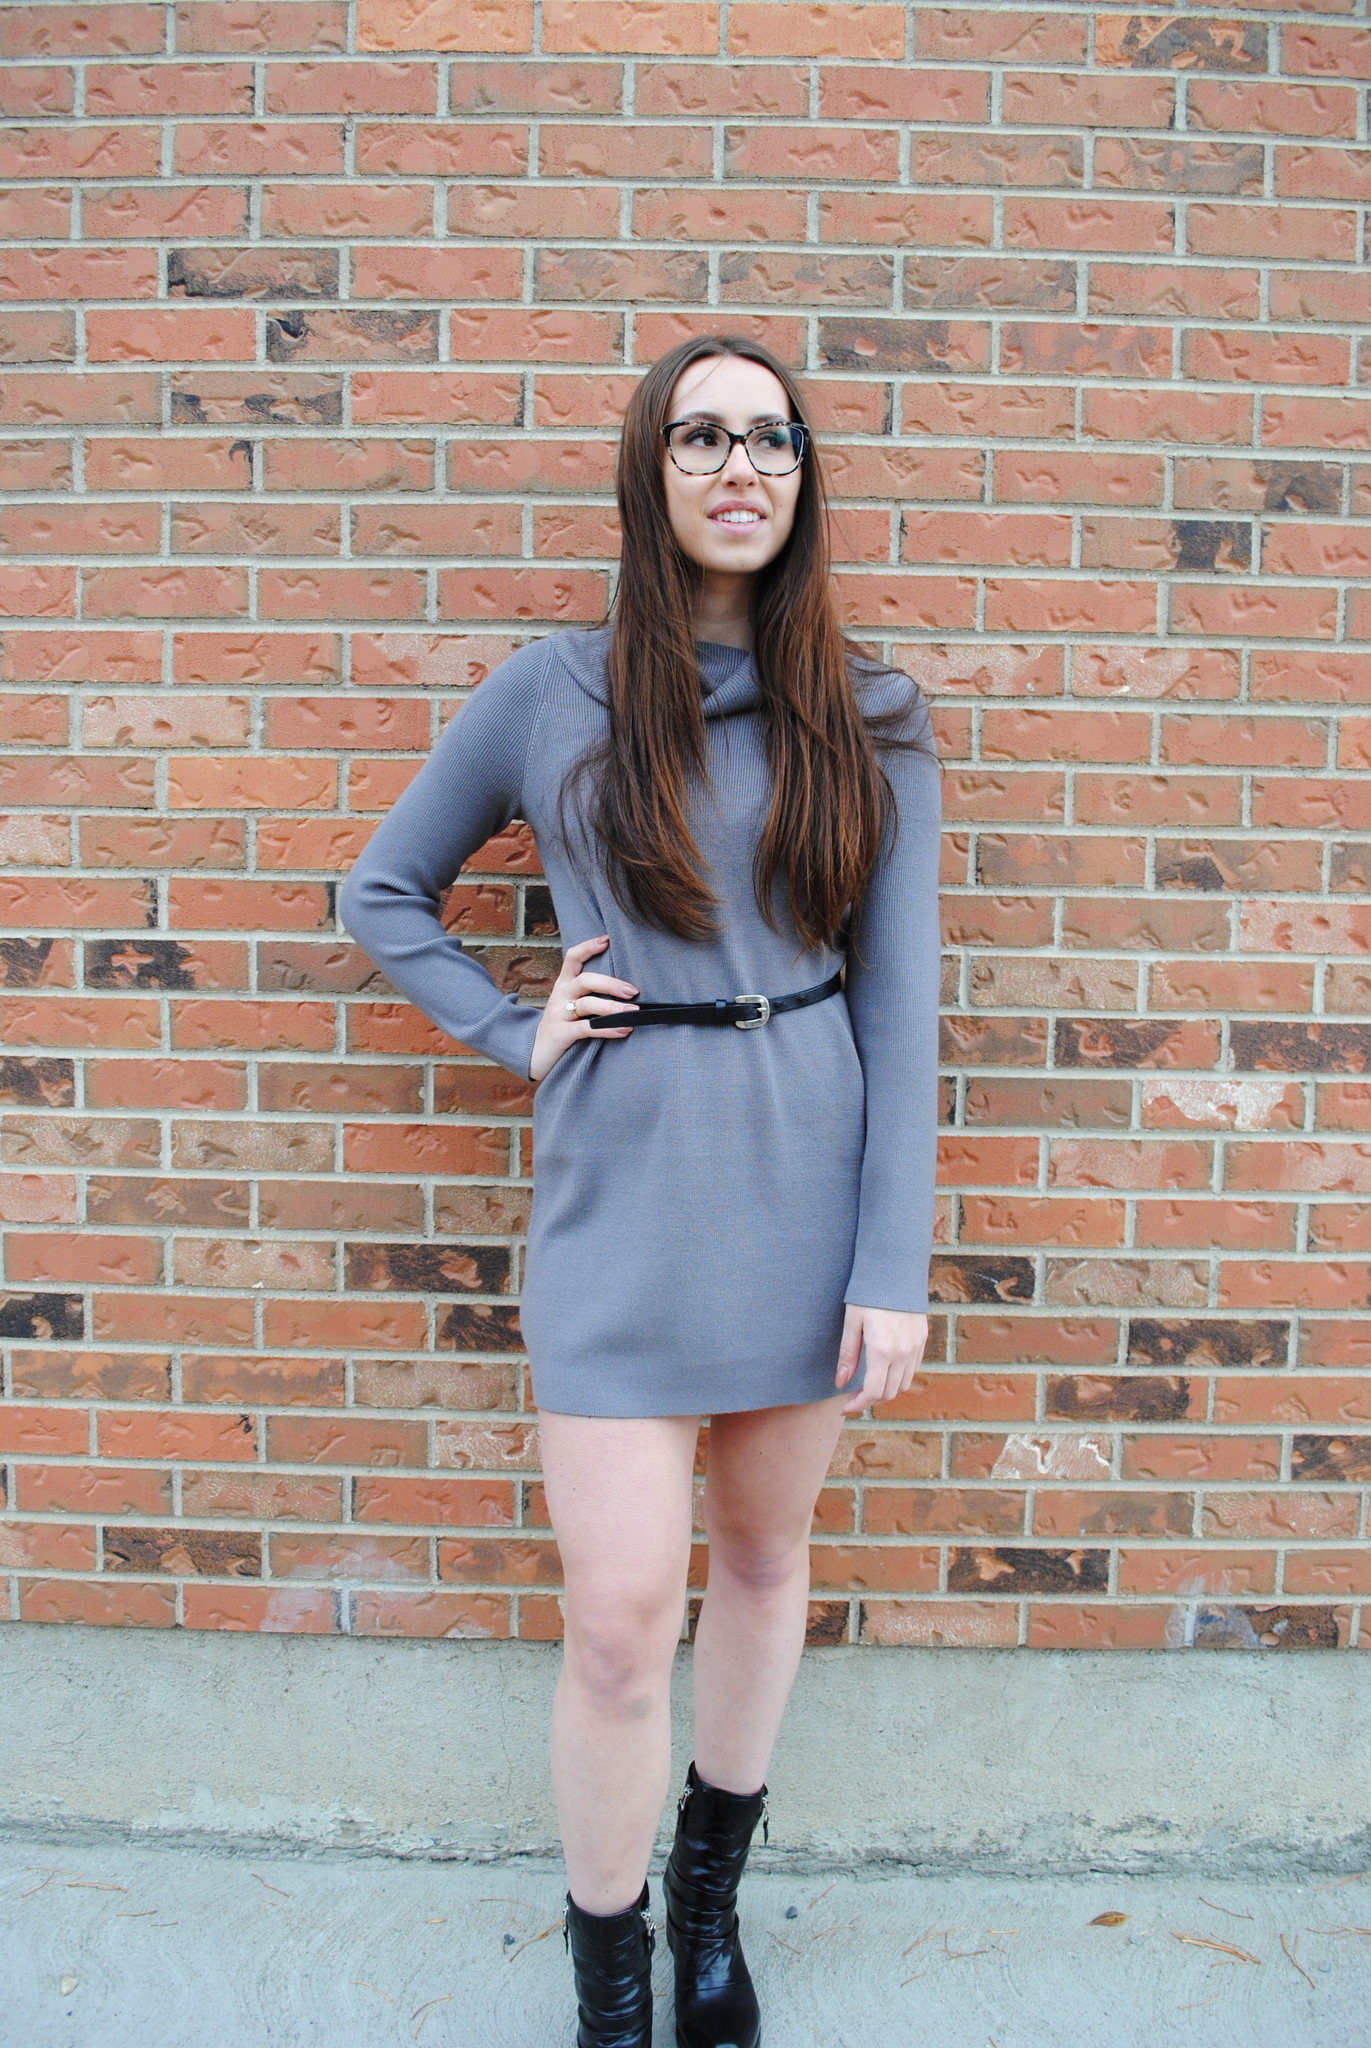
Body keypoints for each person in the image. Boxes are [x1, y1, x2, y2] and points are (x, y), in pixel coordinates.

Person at [339, 334, 941, 2048]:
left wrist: (888, 1260)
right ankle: (610, 1988)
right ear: (652, 472)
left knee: (760, 1564)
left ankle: (707, 1915)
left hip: (804, 1186)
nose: (738, 464)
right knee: (615, 1623)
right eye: (701, 437)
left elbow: (905, 1007)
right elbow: (386, 892)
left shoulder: (875, 719)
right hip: (620, 1191)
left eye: (768, 436)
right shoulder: (555, 693)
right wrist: (508, 1029)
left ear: (801, 475)